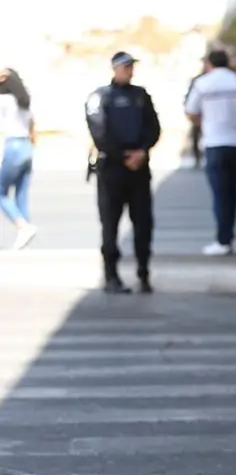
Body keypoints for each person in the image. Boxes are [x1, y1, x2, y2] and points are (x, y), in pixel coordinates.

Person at [84, 52, 162, 294]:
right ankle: (111, 276)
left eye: (131, 67)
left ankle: (143, 272)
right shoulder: (100, 97)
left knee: (143, 224)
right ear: (115, 68)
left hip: (139, 169)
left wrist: (141, 151)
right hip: (112, 170)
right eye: (125, 67)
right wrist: (122, 155)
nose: (129, 71)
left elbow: (153, 127)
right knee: (110, 225)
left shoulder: (141, 96)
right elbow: (99, 132)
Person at [185, 49, 236, 256]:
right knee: (232, 193)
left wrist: (207, 121)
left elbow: (191, 111)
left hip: (214, 144)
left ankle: (222, 239)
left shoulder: (203, 83)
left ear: (209, 63)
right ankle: (228, 235)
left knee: (219, 194)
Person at [0, 68, 37, 249]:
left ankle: (22, 227)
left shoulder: (4, 101)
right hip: (26, 146)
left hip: (12, 145)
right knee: (21, 194)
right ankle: (25, 235)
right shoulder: (24, 102)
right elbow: (32, 127)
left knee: (1, 192)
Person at [185, 61, 210, 168]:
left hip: (208, 113)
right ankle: (197, 157)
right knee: (196, 135)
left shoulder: (209, 79)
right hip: (198, 113)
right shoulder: (198, 80)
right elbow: (189, 97)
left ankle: (204, 156)